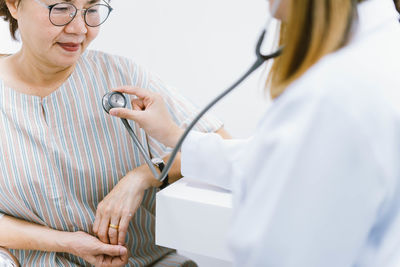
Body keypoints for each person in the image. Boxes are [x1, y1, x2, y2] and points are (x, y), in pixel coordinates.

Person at [109, 0, 400, 266]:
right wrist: (173, 134)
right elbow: (259, 159)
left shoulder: (333, 95)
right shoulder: (378, 53)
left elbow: (288, 252)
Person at [0, 0, 230, 265]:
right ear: (14, 5)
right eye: (60, 8)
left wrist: (145, 175)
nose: (80, 28)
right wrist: (65, 242)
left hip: (142, 261)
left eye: (92, 10)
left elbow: (222, 150)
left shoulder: (122, 77)